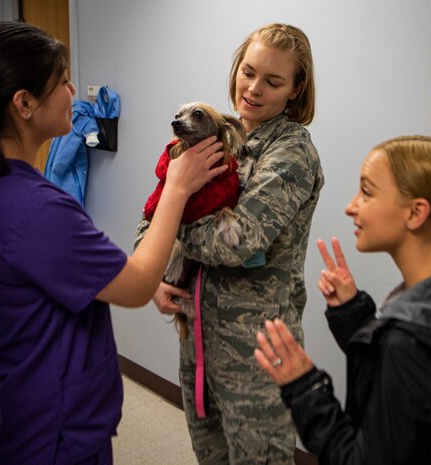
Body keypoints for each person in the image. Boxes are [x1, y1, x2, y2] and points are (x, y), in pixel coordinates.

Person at [0, 21, 227, 465]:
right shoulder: (36, 208)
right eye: (63, 80)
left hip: (19, 412)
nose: (74, 90)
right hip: (56, 437)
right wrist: (177, 188)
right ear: (24, 103)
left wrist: (133, 277)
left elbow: (49, 276)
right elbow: (138, 284)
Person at [254, 135, 431, 465]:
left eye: (367, 192)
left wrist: (304, 388)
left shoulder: (406, 345)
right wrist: (353, 314)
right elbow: (427, 385)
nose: (351, 206)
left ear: (416, 212)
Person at [135, 23, 324, 464]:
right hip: (197, 336)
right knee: (211, 457)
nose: (253, 89)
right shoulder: (213, 133)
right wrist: (154, 276)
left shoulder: (291, 153)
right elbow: (151, 212)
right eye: (248, 71)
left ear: (295, 91)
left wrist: (174, 214)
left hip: (257, 353)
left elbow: (235, 242)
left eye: (273, 81)